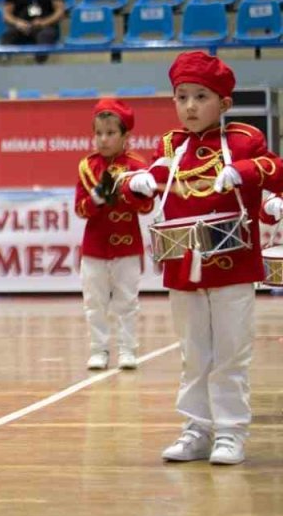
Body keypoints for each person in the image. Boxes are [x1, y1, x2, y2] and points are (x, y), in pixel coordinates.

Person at [119, 51, 283, 465]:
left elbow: (274, 169)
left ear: (224, 103)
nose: (190, 106)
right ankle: (196, 429)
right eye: (182, 97)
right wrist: (137, 183)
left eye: (201, 97)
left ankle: (230, 432)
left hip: (232, 265)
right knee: (193, 354)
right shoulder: (171, 144)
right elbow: (152, 182)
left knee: (230, 352)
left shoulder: (244, 139)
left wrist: (244, 171)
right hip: (183, 266)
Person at [74, 99, 152, 372]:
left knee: (127, 301)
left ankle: (128, 350)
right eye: (98, 133)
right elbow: (79, 209)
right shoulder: (87, 166)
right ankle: (99, 350)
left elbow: (146, 207)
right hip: (94, 247)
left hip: (127, 246)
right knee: (94, 302)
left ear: (125, 136)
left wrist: (135, 192)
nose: (103, 139)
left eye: (110, 133)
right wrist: (94, 200)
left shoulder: (137, 165)